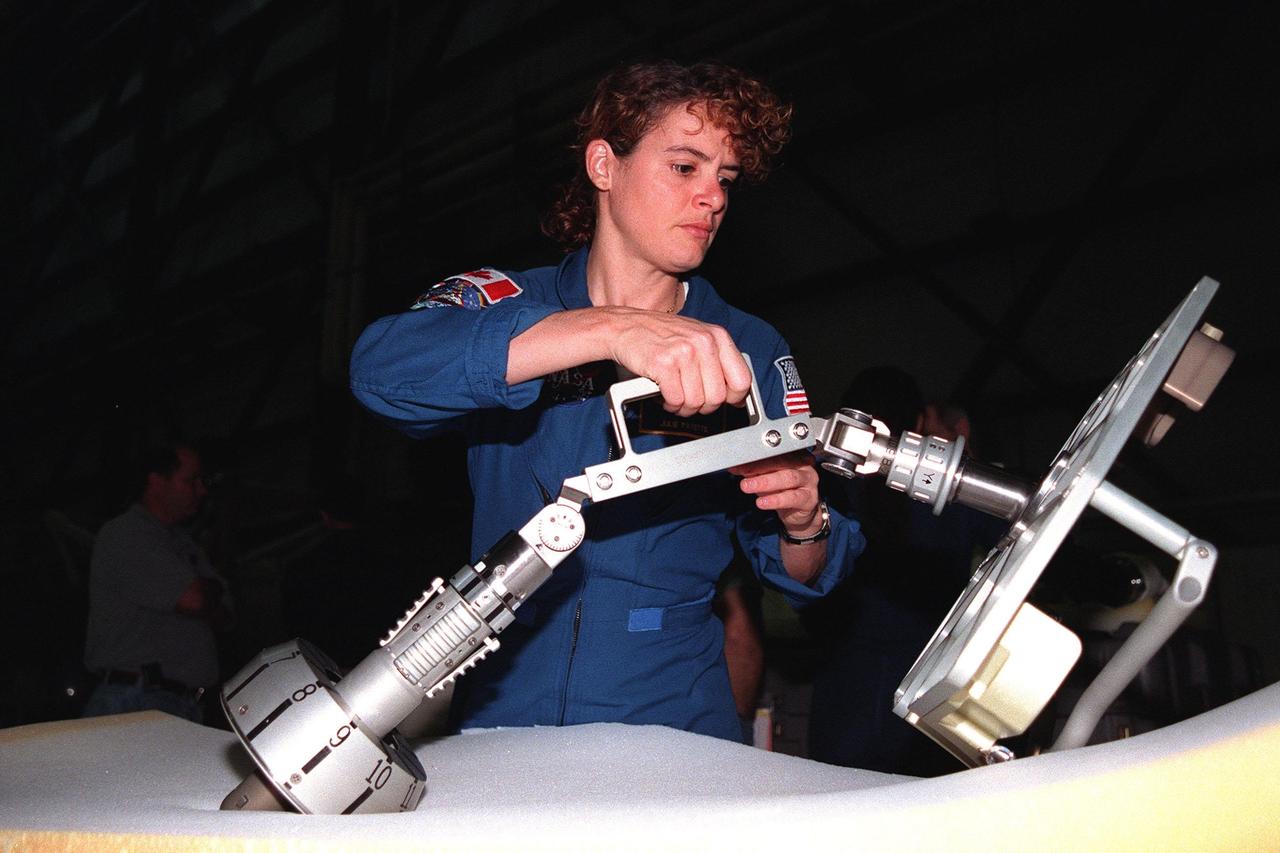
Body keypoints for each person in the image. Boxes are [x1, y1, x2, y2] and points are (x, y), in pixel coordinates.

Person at [349, 59, 864, 742]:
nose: (712, 197)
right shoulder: (503, 302)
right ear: (604, 164)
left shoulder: (745, 347)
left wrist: (806, 520)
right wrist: (612, 330)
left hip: (671, 720)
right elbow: (380, 372)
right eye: (685, 167)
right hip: (504, 715)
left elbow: (804, 574)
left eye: (725, 179)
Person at [804, 367, 1004, 774]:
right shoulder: (952, 498)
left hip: (844, 685)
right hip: (932, 688)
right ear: (916, 425)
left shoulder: (829, 490)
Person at [82, 439, 232, 723]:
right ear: (156, 482)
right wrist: (206, 591)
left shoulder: (184, 544)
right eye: (190, 481)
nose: (201, 491)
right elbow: (195, 599)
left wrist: (205, 594)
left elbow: (224, 615)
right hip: (137, 701)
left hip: (179, 704)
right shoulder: (126, 535)